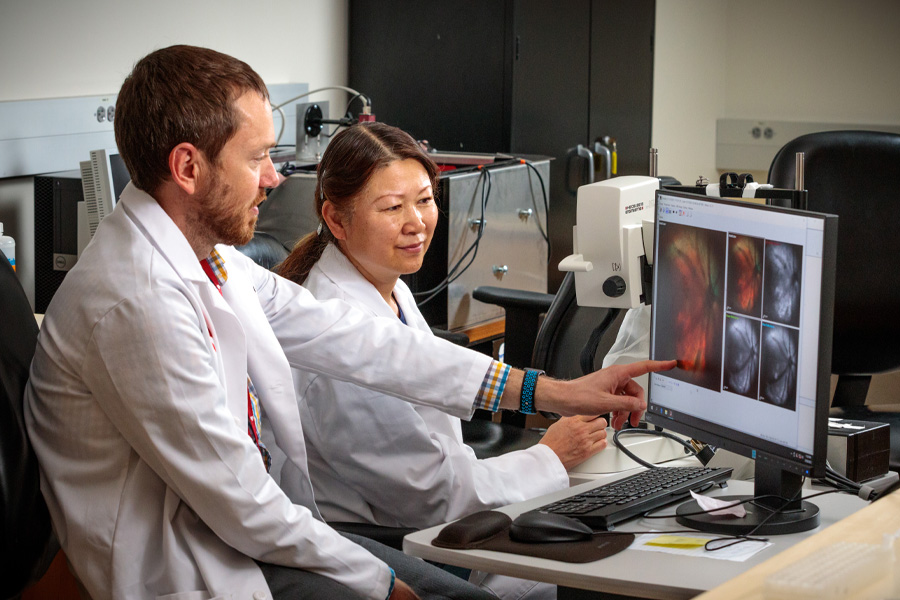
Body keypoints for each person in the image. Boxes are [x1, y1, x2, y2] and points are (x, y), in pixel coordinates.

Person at [24, 45, 673, 600]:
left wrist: (547, 392)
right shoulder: (138, 302)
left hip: (253, 539)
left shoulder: (208, 260)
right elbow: (243, 505)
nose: (275, 178)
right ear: (188, 168)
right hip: (204, 568)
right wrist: (375, 580)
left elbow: (357, 341)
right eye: (256, 159)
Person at [276, 122, 614, 599]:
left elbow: (432, 369)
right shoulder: (335, 330)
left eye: (426, 200)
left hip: (440, 518)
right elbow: (431, 496)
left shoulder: (382, 282)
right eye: (393, 208)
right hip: (397, 546)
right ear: (336, 219)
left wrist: (549, 404)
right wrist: (549, 456)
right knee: (581, 579)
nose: (416, 222)